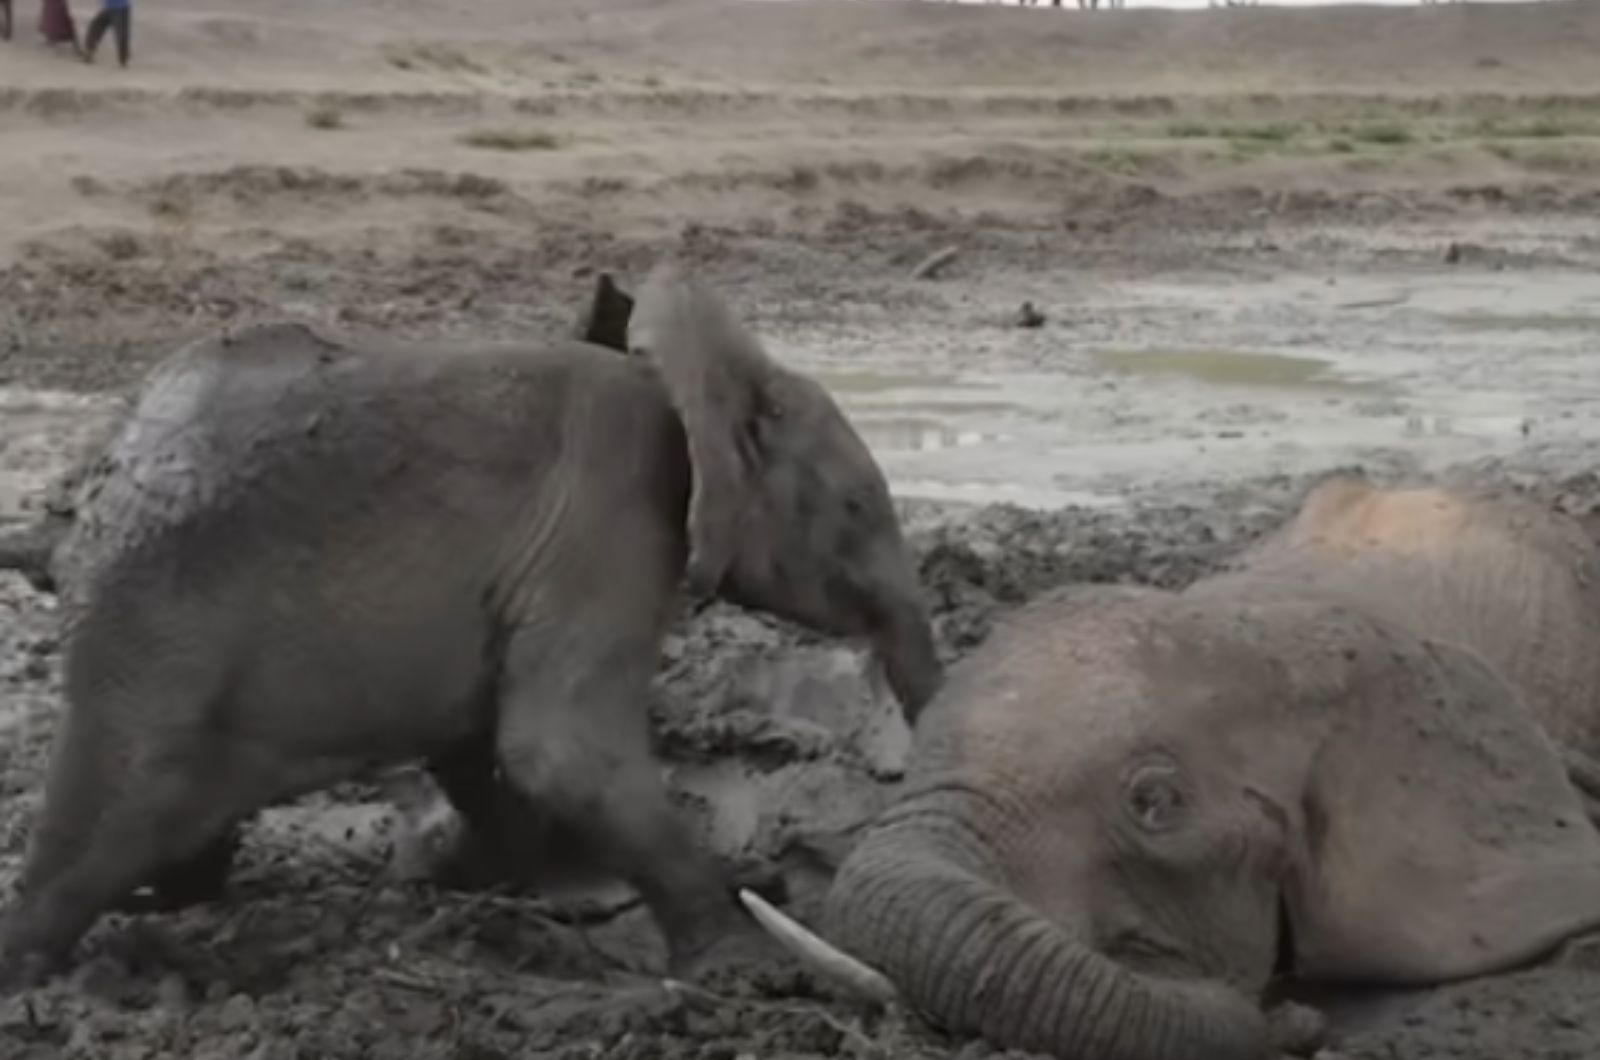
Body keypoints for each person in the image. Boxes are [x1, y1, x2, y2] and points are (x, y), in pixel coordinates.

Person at [83, 0, 128, 65]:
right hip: (114, 7)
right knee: (96, 26)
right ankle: (123, 58)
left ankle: (123, 58)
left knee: (120, 32)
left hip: (118, 8)